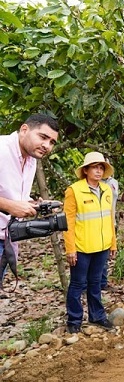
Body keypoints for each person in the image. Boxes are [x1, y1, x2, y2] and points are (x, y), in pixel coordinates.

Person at [0, 113, 59, 280]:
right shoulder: (2, 149)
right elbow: (10, 204)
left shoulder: (31, 159)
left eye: (52, 142)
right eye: (43, 137)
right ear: (24, 129)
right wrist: (10, 206)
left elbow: (12, 197)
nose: (47, 145)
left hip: (7, 239)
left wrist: (33, 204)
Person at [64, 152, 117, 334]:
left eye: (101, 167)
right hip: (82, 247)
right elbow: (68, 223)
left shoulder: (107, 189)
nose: (98, 171)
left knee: (96, 283)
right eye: (95, 167)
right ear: (85, 170)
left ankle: (97, 316)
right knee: (77, 284)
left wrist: (113, 243)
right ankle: (74, 320)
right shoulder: (74, 191)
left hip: (101, 246)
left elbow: (110, 218)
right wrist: (70, 249)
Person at [101, 165, 119, 291]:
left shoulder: (113, 183)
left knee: (105, 255)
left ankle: (103, 282)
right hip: (95, 224)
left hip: (110, 221)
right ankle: (86, 285)